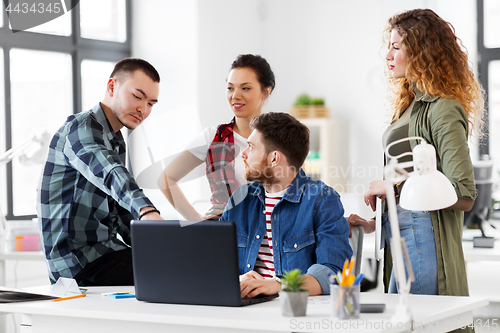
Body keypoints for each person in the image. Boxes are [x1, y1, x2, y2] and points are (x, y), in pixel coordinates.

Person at [348, 9, 484, 301]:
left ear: (422, 51)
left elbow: (464, 192)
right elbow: (408, 193)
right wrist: (374, 223)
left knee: (417, 324)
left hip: (425, 237)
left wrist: (393, 187)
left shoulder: (443, 108)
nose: (388, 55)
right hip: (402, 233)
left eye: (396, 47)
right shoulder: (411, 104)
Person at [37, 58, 164, 286]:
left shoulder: (115, 140)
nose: (143, 110)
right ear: (112, 86)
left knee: (174, 262)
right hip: (77, 263)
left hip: (104, 254)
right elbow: (110, 172)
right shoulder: (80, 128)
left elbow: (122, 210)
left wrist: (157, 241)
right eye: (137, 96)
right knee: (170, 272)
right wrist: (146, 211)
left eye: (151, 104)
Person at [219, 112, 353, 298]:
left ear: (274, 158)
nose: (243, 154)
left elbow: (333, 271)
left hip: (292, 310)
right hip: (243, 308)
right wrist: (235, 280)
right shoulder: (241, 198)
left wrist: (279, 285)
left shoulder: (322, 199)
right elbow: (215, 260)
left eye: (250, 147)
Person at [158, 54, 275, 220]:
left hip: (272, 237)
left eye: (245, 88)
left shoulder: (280, 138)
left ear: (265, 92)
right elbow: (165, 178)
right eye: (230, 88)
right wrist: (196, 219)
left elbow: (299, 191)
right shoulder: (212, 137)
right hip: (225, 235)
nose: (235, 95)